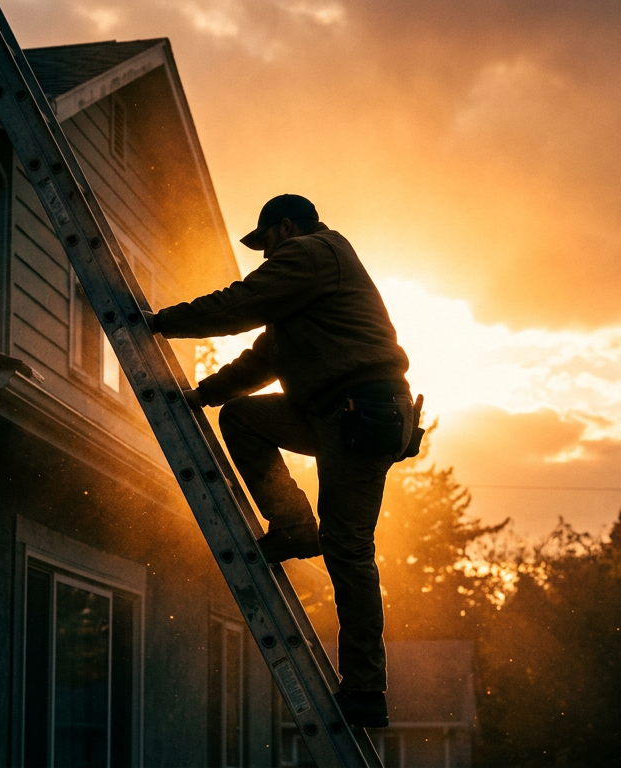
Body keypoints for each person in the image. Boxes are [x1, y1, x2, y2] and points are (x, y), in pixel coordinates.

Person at [149, 193, 419, 729]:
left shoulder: (315, 253)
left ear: (285, 228)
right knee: (244, 418)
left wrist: (159, 323)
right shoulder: (303, 300)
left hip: (362, 414)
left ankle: (366, 689)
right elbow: (264, 358)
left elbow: (238, 305)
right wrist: (204, 395)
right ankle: (295, 525)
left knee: (348, 548)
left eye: (265, 244)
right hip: (332, 414)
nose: (264, 258)